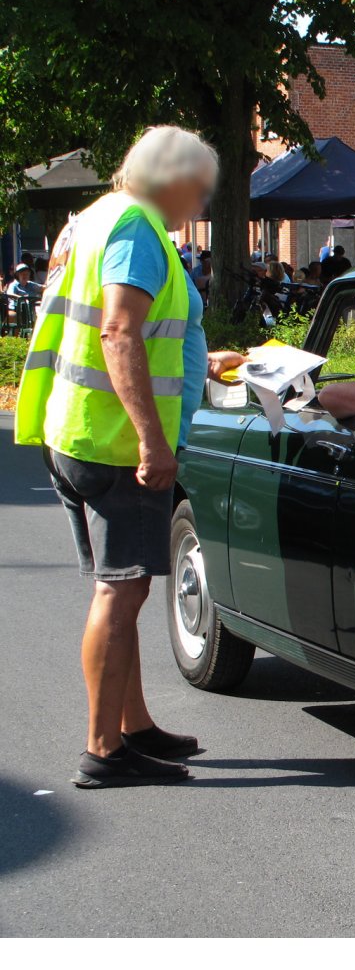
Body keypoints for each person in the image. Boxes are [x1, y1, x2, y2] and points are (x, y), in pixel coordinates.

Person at [14, 126, 245, 789]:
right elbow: (119, 330)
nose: (198, 204)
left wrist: (204, 365)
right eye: (196, 189)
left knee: (125, 585)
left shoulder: (92, 218)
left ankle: (132, 726)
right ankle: (102, 749)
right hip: (118, 442)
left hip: (79, 428)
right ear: (167, 178)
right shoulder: (137, 229)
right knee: (123, 591)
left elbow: (133, 330)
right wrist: (152, 439)